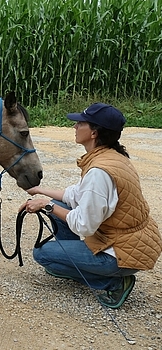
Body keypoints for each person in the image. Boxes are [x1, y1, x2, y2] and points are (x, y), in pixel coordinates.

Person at [21, 103, 162, 309]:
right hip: (127, 242)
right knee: (59, 204)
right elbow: (74, 195)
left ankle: (113, 282)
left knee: (43, 255)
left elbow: (84, 226)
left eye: (80, 123)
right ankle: (78, 261)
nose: (75, 127)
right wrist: (40, 191)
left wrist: (46, 205)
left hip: (121, 254)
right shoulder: (112, 157)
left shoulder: (99, 172)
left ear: (94, 132)